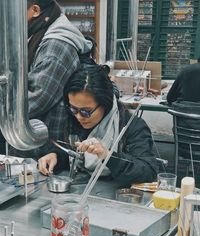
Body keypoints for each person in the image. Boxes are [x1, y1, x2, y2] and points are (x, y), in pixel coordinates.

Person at [38, 65, 158, 186]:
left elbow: (148, 172)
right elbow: (72, 153)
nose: (79, 117)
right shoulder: (72, 120)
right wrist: (55, 156)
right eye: (74, 109)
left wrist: (108, 155)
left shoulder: (132, 126)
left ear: (105, 104)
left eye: (86, 111)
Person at [7, 0, 92, 158]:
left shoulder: (56, 46)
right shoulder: (40, 32)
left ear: (35, 10)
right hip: (36, 145)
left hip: (46, 150)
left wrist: (6, 110)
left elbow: (36, 98)